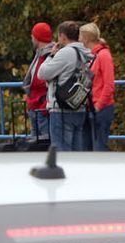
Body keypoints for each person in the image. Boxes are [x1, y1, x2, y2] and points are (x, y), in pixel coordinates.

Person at [38, 20, 94, 152]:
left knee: (62, 152)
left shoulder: (66, 53)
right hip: (78, 105)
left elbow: (42, 73)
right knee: (77, 151)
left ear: (63, 36)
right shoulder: (85, 52)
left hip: (61, 108)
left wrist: (51, 56)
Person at [80, 23, 116, 150]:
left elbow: (109, 84)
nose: (79, 40)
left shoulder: (103, 55)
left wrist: (98, 105)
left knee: (99, 146)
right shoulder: (96, 55)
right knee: (91, 146)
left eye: (80, 36)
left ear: (86, 38)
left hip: (102, 107)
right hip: (95, 106)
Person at [23, 22, 53, 141]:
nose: (31, 38)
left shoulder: (48, 55)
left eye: (33, 35)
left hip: (42, 106)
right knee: (35, 143)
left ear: (37, 37)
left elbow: (41, 80)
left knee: (43, 142)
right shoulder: (40, 54)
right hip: (35, 105)